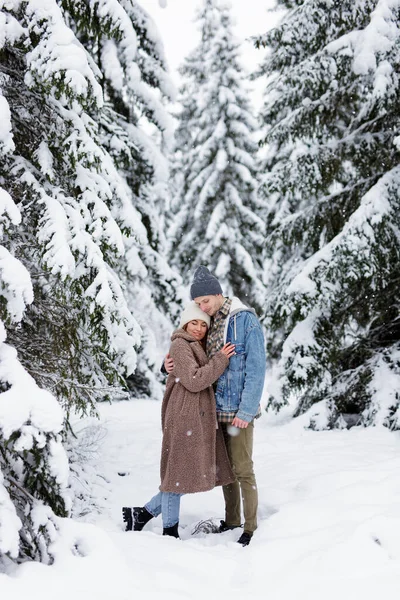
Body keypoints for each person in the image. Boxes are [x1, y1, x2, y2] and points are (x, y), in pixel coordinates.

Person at [165, 266, 266, 546]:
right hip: (213, 409)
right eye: (198, 304)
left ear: (219, 294)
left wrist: (246, 411)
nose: (203, 308)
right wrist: (168, 365)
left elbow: (256, 369)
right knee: (227, 470)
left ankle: (250, 527)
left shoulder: (244, 320)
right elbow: (193, 359)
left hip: (238, 412)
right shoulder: (209, 323)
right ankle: (232, 521)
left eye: (206, 301)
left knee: (243, 468)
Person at [122, 302, 236, 539]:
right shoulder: (180, 344)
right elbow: (194, 380)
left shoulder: (196, 345)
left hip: (194, 415)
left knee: (184, 473)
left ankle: (141, 515)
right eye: (194, 322)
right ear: (185, 323)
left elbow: (187, 373)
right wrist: (220, 360)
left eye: (203, 324)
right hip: (184, 415)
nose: (198, 328)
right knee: (177, 475)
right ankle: (169, 531)